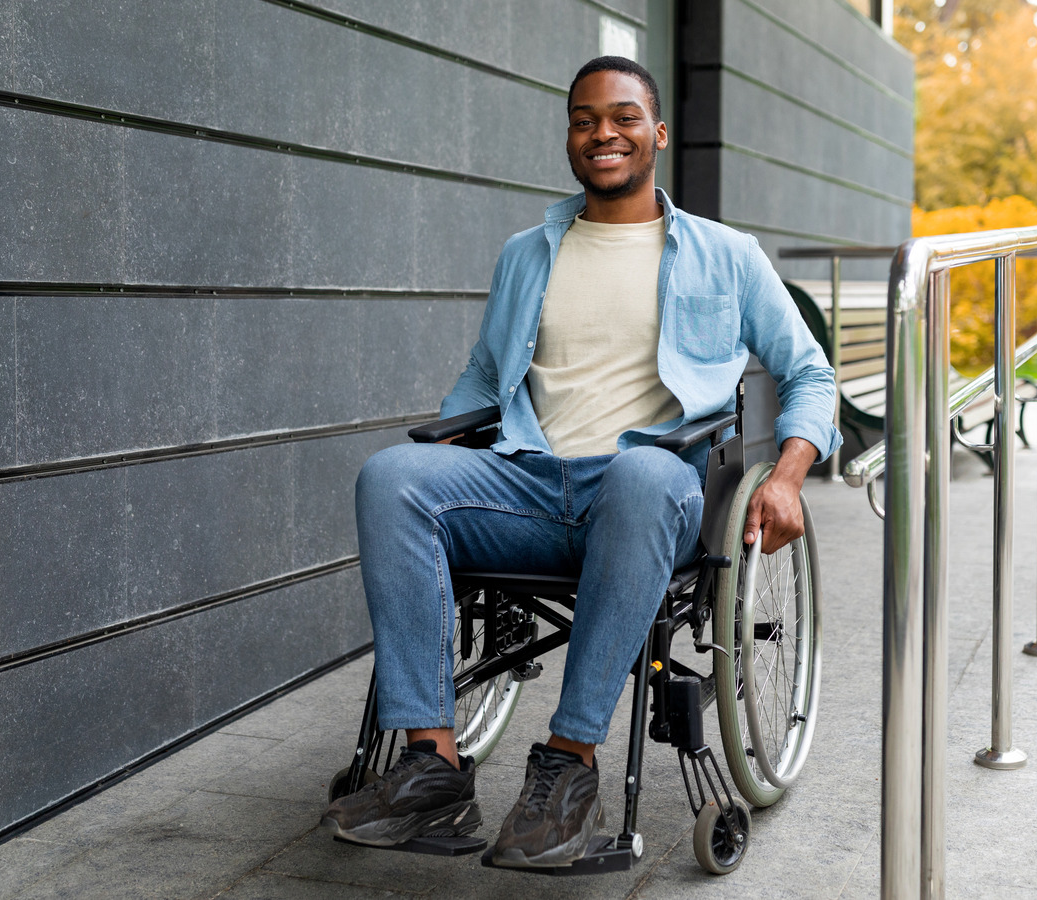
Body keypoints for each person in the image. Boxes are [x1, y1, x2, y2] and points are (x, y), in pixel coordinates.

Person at [320, 55, 839, 868]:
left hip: (650, 490)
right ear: (570, 136)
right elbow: (487, 376)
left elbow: (810, 372)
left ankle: (568, 766)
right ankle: (433, 768)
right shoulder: (528, 252)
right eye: (586, 119)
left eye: (625, 116)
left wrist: (786, 474)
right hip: (529, 482)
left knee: (640, 474)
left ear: (657, 134)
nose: (605, 132)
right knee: (391, 476)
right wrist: (451, 445)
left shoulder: (725, 254)